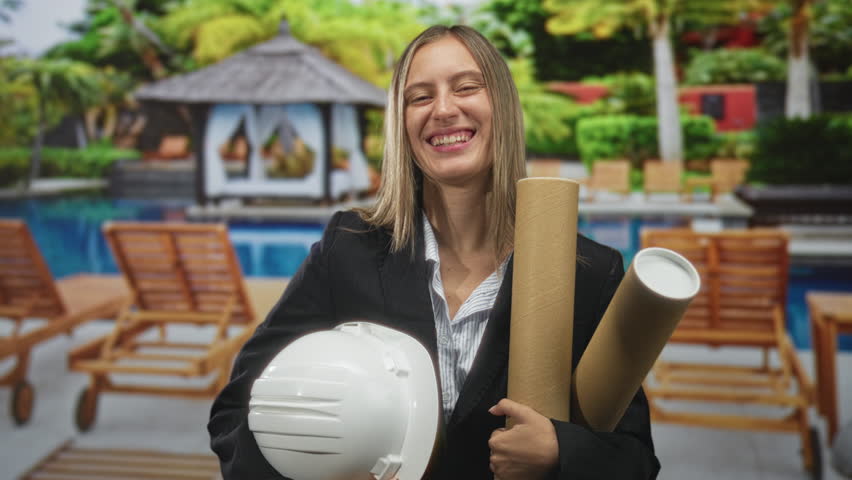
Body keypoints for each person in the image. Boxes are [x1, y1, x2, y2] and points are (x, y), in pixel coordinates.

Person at [208, 24, 660, 480]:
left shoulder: (586, 272)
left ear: (502, 105)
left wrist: (560, 452)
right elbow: (237, 410)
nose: (443, 110)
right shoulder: (348, 250)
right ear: (400, 123)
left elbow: (636, 459)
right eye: (419, 97)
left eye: (466, 87)